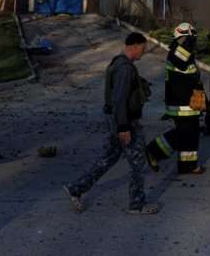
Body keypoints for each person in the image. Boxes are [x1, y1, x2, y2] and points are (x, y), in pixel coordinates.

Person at [63, 31, 158, 214]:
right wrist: (124, 127)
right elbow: (120, 99)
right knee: (137, 163)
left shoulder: (118, 63)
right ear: (135, 46)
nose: (143, 53)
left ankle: (76, 188)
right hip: (126, 122)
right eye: (143, 49)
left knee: (109, 158)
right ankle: (137, 205)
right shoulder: (125, 68)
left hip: (116, 120)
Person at [146, 23, 207, 175]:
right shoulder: (176, 53)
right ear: (183, 39)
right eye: (190, 39)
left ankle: (188, 166)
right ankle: (153, 150)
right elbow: (181, 60)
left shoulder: (185, 54)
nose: (193, 42)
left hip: (190, 104)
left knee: (192, 134)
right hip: (180, 104)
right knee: (183, 133)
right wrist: (189, 41)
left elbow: (193, 79)